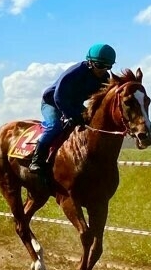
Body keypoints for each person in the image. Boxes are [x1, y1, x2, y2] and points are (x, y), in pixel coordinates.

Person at [28, 43, 117, 177]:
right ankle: (37, 160)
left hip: (74, 104)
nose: (103, 70)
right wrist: (70, 115)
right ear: (90, 62)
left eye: (107, 67)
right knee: (55, 126)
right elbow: (58, 97)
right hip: (52, 102)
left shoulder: (104, 78)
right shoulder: (74, 72)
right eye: (99, 65)